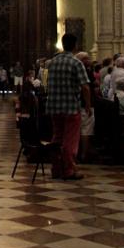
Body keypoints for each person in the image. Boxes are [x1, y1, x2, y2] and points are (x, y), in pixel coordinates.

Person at [45, 34, 91, 181]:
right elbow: (85, 86)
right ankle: (69, 170)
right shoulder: (76, 63)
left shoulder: (52, 62)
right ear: (75, 45)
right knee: (70, 141)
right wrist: (88, 105)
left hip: (54, 106)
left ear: (63, 44)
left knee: (57, 138)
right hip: (71, 106)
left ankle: (56, 168)